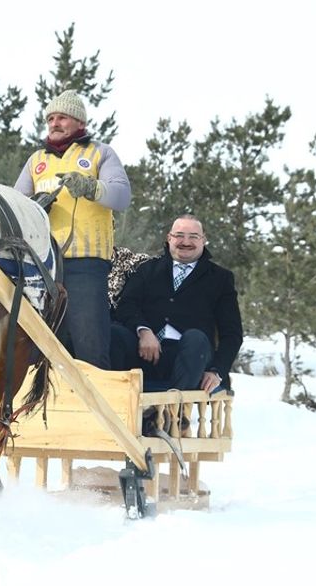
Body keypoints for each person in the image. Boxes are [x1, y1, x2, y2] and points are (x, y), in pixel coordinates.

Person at [14, 89, 131, 369]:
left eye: (62, 117)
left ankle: (95, 395)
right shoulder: (36, 160)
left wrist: (91, 187)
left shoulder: (100, 152)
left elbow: (122, 196)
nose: (54, 123)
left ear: (80, 122)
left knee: (89, 344)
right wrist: (33, 206)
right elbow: (15, 204)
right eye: (50, 118)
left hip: (86, 263)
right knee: (35, 343)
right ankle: (34, 396)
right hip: (43, 264)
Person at [110, 215, 244, 396]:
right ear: (169, 238)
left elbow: (232, 334)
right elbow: (127, 305)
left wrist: (216, 371)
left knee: (196, 338)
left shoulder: (220, 278)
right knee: (114, 333)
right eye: (179, 235)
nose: (186, 242)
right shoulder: (147, 269)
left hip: (191, 359)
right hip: (145, 354)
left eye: (193, 236)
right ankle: (116, 402)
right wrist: (144, 331)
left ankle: (173, 410)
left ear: (203, 240)